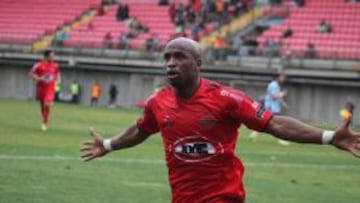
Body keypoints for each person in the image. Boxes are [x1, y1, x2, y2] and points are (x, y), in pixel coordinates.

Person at [81, 37, 360, 203]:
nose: (170, 63)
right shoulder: (158, 102)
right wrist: (108, 144)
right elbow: (140, 130)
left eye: (179, 57)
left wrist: (328, 136)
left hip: (223, 196)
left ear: (198, 63)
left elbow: (274, 123)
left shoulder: (226, 98)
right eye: (167, 57)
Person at [29, 50, 61, 131]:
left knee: (47, 103)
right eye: (51, 56)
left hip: (50, 88)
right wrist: (39, 78)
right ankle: (45, 120)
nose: (53, 57)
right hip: (41, 88)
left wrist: (58, 80)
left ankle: (45, 123)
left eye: (53, 56)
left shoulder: (55, 65)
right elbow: (31, 74)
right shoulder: (38, 65)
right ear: (46, 56)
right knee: (43, 106)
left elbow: (57, 73)